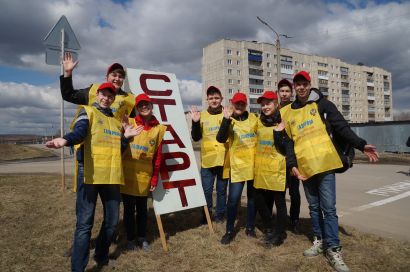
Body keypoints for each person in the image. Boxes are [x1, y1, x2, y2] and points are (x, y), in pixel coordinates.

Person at [281, 71, 379, 272]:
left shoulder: (324, 105)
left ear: (309, 85)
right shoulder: (288, 112)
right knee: (314, 207)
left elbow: (342, 127)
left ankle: (333, 248)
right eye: (297, 84)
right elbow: (289, 143)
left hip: (325, 165)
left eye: (304, 83)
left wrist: (361, 145)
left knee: (329, 208)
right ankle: (319, 241)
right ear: (294, 87)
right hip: (306, 168)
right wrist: (293, 165)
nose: (300, 87)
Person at [46, 83, 140, 271]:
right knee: (84, 224)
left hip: (111, 176)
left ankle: (101, 255)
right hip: (89, 173)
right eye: (103, 95)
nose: (106, 98)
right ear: (97, 95)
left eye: (110, 96)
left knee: (112, 222)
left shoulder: (115, 121)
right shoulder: (87, 112)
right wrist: (66, 139)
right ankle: (78, 268)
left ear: (114, 99)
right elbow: (80, 132)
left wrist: (126, 138)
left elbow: (117, 149)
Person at [121, 93, 166, 251]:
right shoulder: (129, 122)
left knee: (142, 210)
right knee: (128, 210)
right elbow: (119, 147)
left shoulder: (158, 129)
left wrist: (154, 179)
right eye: (140, 105)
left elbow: (158, 157)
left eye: (146, 104)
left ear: (151, 106)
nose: (144, 107)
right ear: (137, 108)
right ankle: (131, 239)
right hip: (127, 176)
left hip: (143, 178)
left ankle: (141, 237)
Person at [216, 92, 258, 244]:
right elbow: (220, 138)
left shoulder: (254, 118)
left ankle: (250, 227)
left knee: (253, 199)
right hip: (238, 167)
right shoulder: (229, 120)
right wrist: (226, 120)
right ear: (232, 104)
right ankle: (229, 230)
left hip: (253, 166)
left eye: (242, 103)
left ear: (245, 104)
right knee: (233, 200)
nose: (239, 106)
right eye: (236, 103)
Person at [253, 91, 288, 247]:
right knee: (258, 198)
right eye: (263, 104)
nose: (265, 107)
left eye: (268, 103)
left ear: (276, 104)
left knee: (279, 203)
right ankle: (269, 226)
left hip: (277, 169)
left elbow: (285, 149)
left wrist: (278, 133)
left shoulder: (282, 122)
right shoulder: (258, 122)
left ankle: (279, 234)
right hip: (261, 168)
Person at [190, 86, 228, 223]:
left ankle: (220, 215)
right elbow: (195, 137)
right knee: (206, 190)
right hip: (207, 160)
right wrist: (195, 122)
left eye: (217, 98)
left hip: (224, 159)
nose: (214, 100)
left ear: (221, 99)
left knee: (221, 190)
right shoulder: (202, 115)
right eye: (211, 98)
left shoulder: (227, 114)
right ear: (207, 100)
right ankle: (206, 215)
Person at [60, 52, 135, 120]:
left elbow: (133, 122)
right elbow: (68, 95)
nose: (117, 79)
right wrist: (68, 73)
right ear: (107, 77)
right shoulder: (93, 90)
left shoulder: (130, 99)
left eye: (120, 76)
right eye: (114, 75)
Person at [278, 78, 301, 232]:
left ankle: (294, 219)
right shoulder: (275, 109)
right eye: (282, 91)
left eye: (287, 91)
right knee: (280, 191)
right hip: (279, 156)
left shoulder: (296, 108)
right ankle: (281, 219)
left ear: (291, 93)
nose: (285, 94)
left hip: (294, 156)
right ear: (278, 93)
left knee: (294, 191)